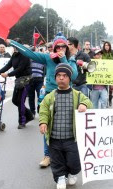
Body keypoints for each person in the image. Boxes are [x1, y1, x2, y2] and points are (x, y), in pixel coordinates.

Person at [5, 32, 78, 168]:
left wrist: (64, 60)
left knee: (68, 127)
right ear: (54, 48)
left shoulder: (71, 60)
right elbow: (29, 53)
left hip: (67, 96)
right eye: (57, 46)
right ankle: (47, 156)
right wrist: (13, 43)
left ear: (66, 48)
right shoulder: (47, 58)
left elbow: (73, 76)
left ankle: (66, 155)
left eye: (63, 46)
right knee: (47, 126)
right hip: (50, 95)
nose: (60, 49)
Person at [39, 63, 92, 189]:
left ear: (70, 78)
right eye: (58, 76)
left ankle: (73, 173)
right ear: (55, 78)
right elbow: (44, 110)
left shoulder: (77, 95)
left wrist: (84, 104)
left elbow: (89, 103)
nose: (61, 78)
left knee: (74, 161)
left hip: (72, 138)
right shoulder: (50, 96)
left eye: (64, 76)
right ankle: (60, 178)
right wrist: (43, 122)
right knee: (57, 161)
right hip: (54, 137)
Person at [0, 38, 34, 129]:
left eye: (16, 45)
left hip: (26, 81)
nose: (15, 47)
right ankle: (29, 114)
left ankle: (22, 121)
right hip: (18, 81)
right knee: (15, 100)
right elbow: (8, 65)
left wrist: (8, 74)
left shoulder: (24, 55)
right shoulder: (14, 55)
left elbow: (20, 69)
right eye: (14, 45)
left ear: (20, 46)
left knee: (20, 102)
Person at [28, 47, 45, 116]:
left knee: (40, 96)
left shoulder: (41, 59)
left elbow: (45, 69)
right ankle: (32, 111)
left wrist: (44, 77)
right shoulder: (28, 60)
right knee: (31, 96)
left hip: (39, 80)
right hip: (30, 80)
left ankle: (40, 109)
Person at [101, 41, 113, 107]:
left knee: (111, 87)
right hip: (103, 72)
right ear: (104, 46)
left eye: (108, 45)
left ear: (109, 46)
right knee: (104, 88)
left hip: (111, 72)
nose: (106, 46)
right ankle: (104, 100)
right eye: (105, 45)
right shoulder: (101, 52)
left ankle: (110, 99)